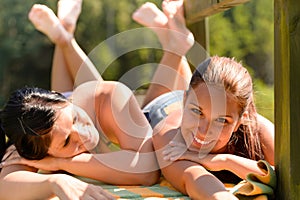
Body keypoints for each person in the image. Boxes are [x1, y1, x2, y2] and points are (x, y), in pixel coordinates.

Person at [0, 2, 159, 200]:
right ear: (42, 154)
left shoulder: (110, 96)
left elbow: (147, 171)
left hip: (115, 107)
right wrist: (54, 181)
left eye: (75, 118)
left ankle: (65, 39)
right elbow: (5, 188)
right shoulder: (33, 138)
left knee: (100, 96)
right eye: (67, 142)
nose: (84, 135)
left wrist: (61, 163)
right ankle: (64, 36)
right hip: (72, 112)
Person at [132, 1, 274, 199]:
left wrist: (223, 160)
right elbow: (193, 178)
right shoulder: (168, 137)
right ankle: (174, 44)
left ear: (240, 121)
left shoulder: (257, 129)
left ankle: (175, 42)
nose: (204, 130)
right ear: (184, 102)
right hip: (162, 110)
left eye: (222, 120)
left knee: (200, 98)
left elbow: (284, 174)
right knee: (152, 106)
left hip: (196, 97)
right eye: (198, 113)